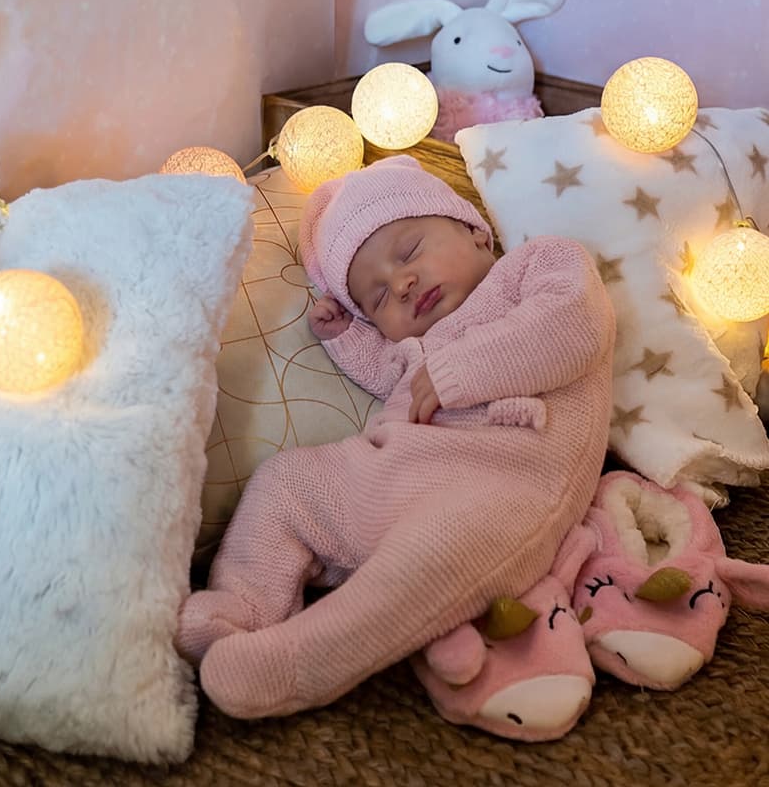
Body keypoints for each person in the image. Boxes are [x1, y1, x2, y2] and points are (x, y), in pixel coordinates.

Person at [177, 155, 615, 720]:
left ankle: (303, 660)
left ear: (474, 231)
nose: (402, 285)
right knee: (286, 482)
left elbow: (575, 325)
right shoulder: (417, 344)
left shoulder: (538, 266)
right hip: (393, 475)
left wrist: (460, 372)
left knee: (423, 560)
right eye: (378, 299)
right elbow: (395, 378)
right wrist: (346, 338)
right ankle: (246, 608)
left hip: (504, 482)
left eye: (409, 252)